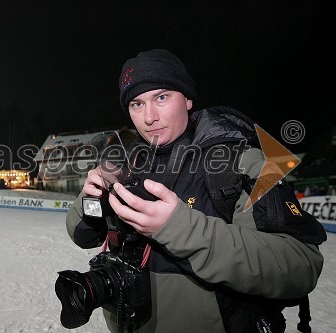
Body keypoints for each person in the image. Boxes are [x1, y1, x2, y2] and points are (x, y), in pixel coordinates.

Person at [65, 49, 326, 332]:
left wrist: (179, 227)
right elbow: (83, 235)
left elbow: (302, 267)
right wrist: (89, 200)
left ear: (188, 99)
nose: (149, 117)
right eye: (137, 104)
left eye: (161, 97)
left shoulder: (242, 161)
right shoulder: (130, 163)